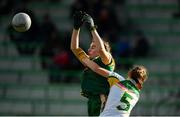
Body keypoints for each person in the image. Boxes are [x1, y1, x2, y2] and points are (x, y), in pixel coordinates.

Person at [72, 45, 148, 116]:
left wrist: (83, 58)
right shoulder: (137, 94)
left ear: (130, 74)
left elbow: (96, 69)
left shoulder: (119, 80)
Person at [71, 11, 115, 116]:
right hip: (92, 100)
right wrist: (76, 28)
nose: (89, 48)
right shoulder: (90, 62)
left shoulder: (107, 59)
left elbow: (101, 48)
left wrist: (92, 28)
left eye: (93, 46)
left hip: (102, 100)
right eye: (90, 46)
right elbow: (74, 48)